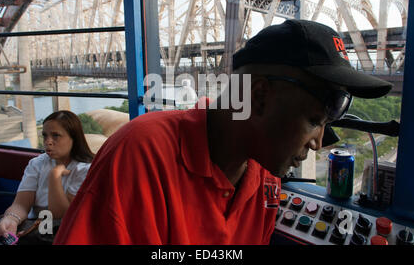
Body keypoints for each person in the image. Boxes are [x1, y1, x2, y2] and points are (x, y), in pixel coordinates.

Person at [54, 20, 392, 244]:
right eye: (314, 120)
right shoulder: (142, 152)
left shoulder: (265, 178)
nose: (319, 143)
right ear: (258, 97)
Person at [0, 110, 94, 243]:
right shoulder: (37, 163)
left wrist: (54, 177)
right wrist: (11, 219)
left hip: (63, 231)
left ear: (73, 138)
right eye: (45, 136)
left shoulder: (84, 169)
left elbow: (60, 215)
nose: (48, 142)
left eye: (56, 136)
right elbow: (21, 204)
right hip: (36, 226)